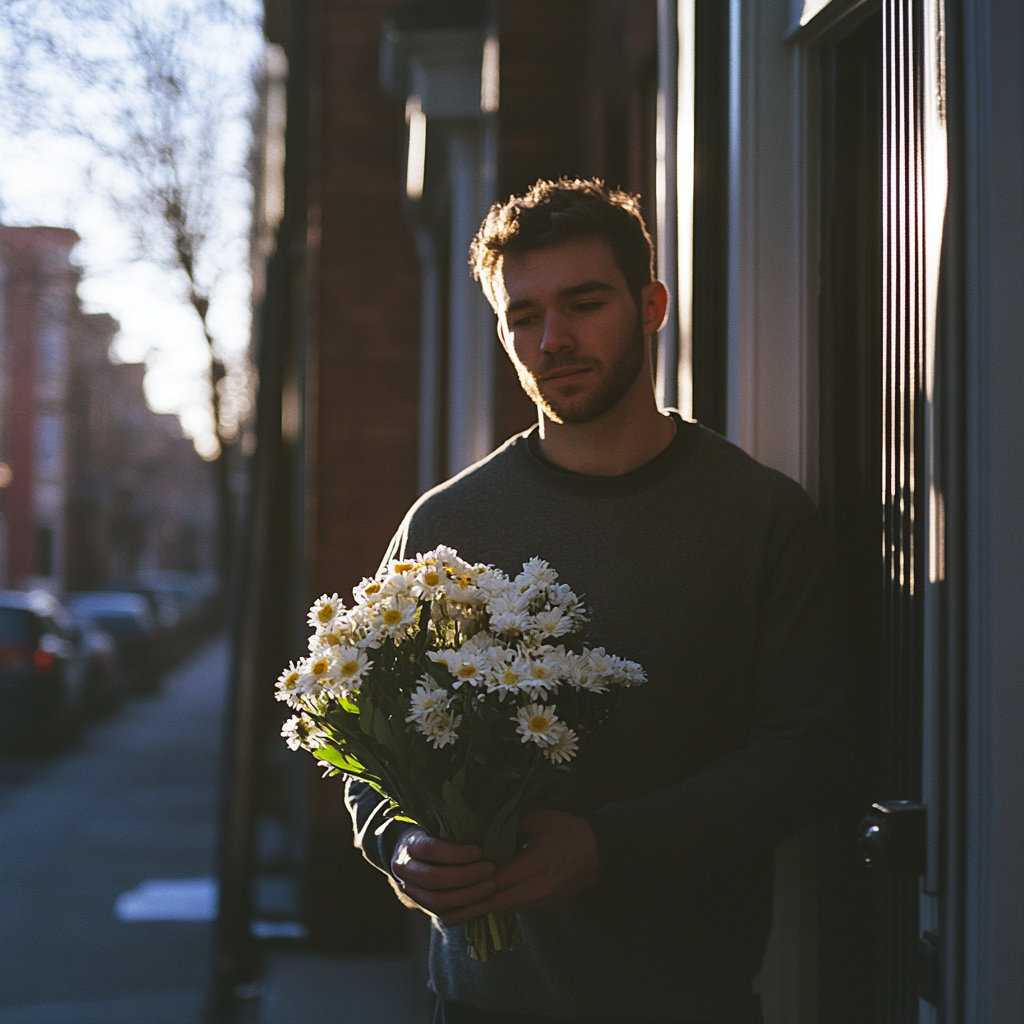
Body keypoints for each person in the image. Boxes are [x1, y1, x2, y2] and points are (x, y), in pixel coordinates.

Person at [346, 178, 848, 1024]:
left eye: (584, 303)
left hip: (690, 1003)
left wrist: (611, 845)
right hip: (479, 1005)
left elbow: (807, 753)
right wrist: (399, 844)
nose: (554, 340)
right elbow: (373, 737)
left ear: (650, 306)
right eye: (524, 317)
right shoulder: (447, 525)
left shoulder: (761, 516)